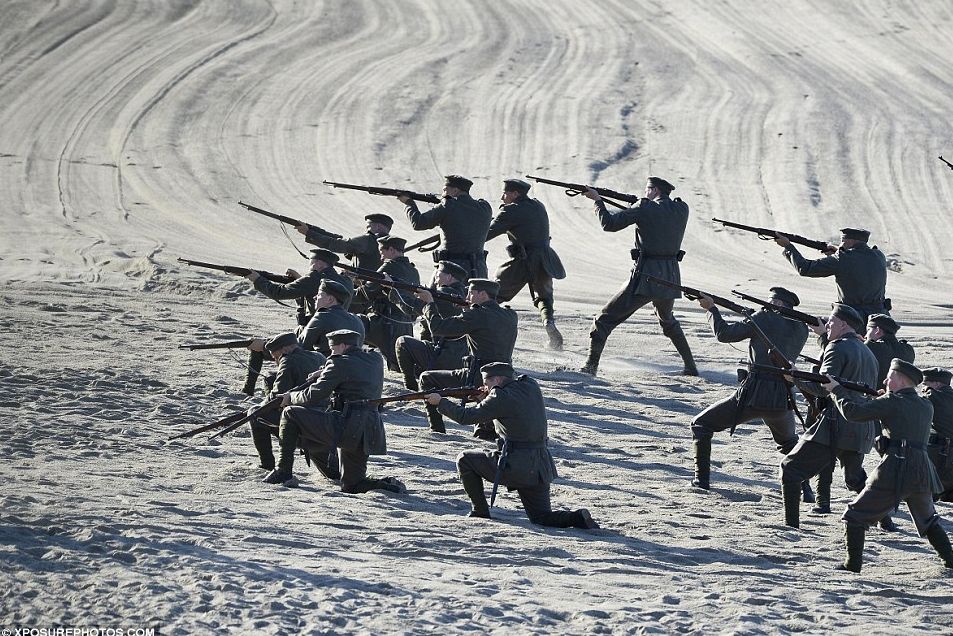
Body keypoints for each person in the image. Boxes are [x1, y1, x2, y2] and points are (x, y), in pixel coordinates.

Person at [425, 362, 599, 529]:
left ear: (498, 380)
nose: (485, 387)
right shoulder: (530, 385)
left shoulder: (499, 396)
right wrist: (484, 399)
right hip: (540, 465)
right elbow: (510, 415)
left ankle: (480, 511)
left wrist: (440, 402)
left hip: (516, 464)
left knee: (465, 459)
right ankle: (577, 517)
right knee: (541, 517)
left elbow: (465, 417)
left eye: (487, 383)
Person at [823, 359, 953, 572]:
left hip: (896, 468)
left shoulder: (892, 402)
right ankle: (950, 561)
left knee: (854, 516)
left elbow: (853, 413)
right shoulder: (925, 404)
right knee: (928, 520)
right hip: (922, 470)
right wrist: (883, 399)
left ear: (901, 380)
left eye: (890, 377)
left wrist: (836, 390)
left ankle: (852, 564)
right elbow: (901, 414)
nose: (885, 380)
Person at [690, 287, 809, 493]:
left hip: (753, 394)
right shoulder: (802, 328)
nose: (767, 305)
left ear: (779, 304)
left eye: (771, 302)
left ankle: (702, 481)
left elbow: (724, 334)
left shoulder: (763, 318)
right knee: (789, 443)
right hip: (783, 397)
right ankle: (805, 491)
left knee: (701, 425)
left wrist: (711, 309)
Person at [264, 329, 405, 494]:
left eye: (333, 349)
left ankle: (283, 471)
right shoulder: (375, 359)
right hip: (368, 429)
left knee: (290, 413)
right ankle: (389, 486)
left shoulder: (338, 363)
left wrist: (291, 397)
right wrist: (324, 370)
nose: (331, 353)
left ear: (343, 346)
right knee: (352, 485)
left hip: (345, 426)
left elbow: (313, 394)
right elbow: (353, 366)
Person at [581, 176, 697, 376]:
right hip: (670, 277)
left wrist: (597, 201)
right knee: (668, 321)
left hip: (646, 276)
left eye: (647, 190)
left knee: (603, 320)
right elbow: (656, 217)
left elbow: (609, 224)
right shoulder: (681, 209)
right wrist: (635, 207)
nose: (645, 193)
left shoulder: (644, 207)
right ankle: (690, 366)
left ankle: (591, 367)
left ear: (654, 190)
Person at [778, 303, 879, 529]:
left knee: (790, 469)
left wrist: (795, 379)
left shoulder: (836, 347)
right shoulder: (868, 352)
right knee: (855, 479)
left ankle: (791, 526)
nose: (828, 325)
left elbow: (824, 386)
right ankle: (886, 522)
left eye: (831, 322)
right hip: (861, 427)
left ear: (843, 324)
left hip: (837, 424)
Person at [415, 278, 518, 434]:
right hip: (506, 377)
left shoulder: (477, 315)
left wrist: (429, 303)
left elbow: (439, 328)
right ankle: (485, 424)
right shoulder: (510, 315)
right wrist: (467, 311)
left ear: (482, 295)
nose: (467, 297)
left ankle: (437, 429)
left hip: (478, 375)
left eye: (471, 292)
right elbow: (483, 329)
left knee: (426, 378)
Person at [486, 178, 567, 350]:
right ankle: (548, 321)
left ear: (515, 194)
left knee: (495, 292)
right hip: (545, 258)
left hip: (524, 260)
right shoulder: (538, 205)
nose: (502, 197)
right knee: (544, 297)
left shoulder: (510, 211)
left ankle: (480, 324)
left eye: (505, 193)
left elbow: (486, 234)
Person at [775, 228, 889, 323]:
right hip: (879, 318)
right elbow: (857, 265)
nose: (841, 244)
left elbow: (805, 268)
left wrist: (788, 246)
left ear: (850, 242)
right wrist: (837, 254)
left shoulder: (842, 258)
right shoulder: (879, 256)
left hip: (852, 319)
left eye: (842, 241)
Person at [248, 333, 326, 470]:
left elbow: (277, 394)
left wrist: (261, 407)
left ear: (284, 350)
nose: (276, 361)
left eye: (276, 357)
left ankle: (267, 464)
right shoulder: (319, 357)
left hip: (300, 418)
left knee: (254, 414)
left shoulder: (288, 360)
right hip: (323, 415)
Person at [393, 260, 470, 390]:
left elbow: (411, 308)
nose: (435, 278)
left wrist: (393, 291)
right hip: (463, 356)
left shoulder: (443, 294)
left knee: (402, 343)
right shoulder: (464, 294)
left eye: (438, 274)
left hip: (444, 354)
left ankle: (410, 385)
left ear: (449, 277)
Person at [296, 213, 395, 313]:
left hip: (356, 294)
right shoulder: (390, 244)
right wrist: (312, 230)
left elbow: (338, 244)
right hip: (371, 296)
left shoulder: (368, 240)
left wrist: (309, 233)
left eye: (369, 226)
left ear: (378, 226)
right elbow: (338, 239)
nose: (366, 230)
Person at [400, 174, 492, 278]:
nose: (442, 195)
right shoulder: (485, 207)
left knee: (435, 294)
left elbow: (418, 223)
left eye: (445, 190)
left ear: (455, 191)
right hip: (479, 269)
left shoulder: (448, 205)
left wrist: (408, 203)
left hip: (452, 269)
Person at [358, 235, 420, 371]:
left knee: (352, 324)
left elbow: (367, 292)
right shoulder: (413, 270)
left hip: (386, 323)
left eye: (382, 252)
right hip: (405, 323)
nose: (381, 257)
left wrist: (342, 292)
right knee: (400, 362)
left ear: (391, 250)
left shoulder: (389, 267)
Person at [245, 248, 354, 320]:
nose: (310, 268)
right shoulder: (346, 280)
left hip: (316, 330)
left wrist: (257, 279)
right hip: (339, 329)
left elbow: (279, 292)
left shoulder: (315, 278)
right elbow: (316, 288)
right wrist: (299, 279)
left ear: (319, 264)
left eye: (311, 264)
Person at [299, 279, 366, 355]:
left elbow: (301, 346)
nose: (315, 297)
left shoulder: (322, 316)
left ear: (330, 299)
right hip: (352, 364)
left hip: (328, 364)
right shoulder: (357, 320)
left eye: (319, 294)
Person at [923, 367, 953, 502]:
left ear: (937, 384)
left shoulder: (933, 396)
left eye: (926, 384)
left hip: (939, 449)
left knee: (931, 489)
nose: (924, 387)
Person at [865, 314, 915, 387]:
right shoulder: (908, 349)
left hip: (875, 394)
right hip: (901, 395)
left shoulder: (871, 347)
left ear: (878, 330)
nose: (865, 335)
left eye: (868, 330)